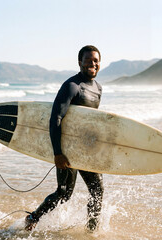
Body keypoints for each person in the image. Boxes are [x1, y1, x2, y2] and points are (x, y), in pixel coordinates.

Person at [25, 45, 104, 232]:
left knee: (97, 191)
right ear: (80, 62)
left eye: (96, 60)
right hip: (67, 150)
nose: (92, 64)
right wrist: (58, 153)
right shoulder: (72, 86)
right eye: (88, 60)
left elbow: (91, 122)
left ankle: (91, 231)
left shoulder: (98, 88)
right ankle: (33, 217)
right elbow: (56, 118)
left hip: (86, 149)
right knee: (64, 193)